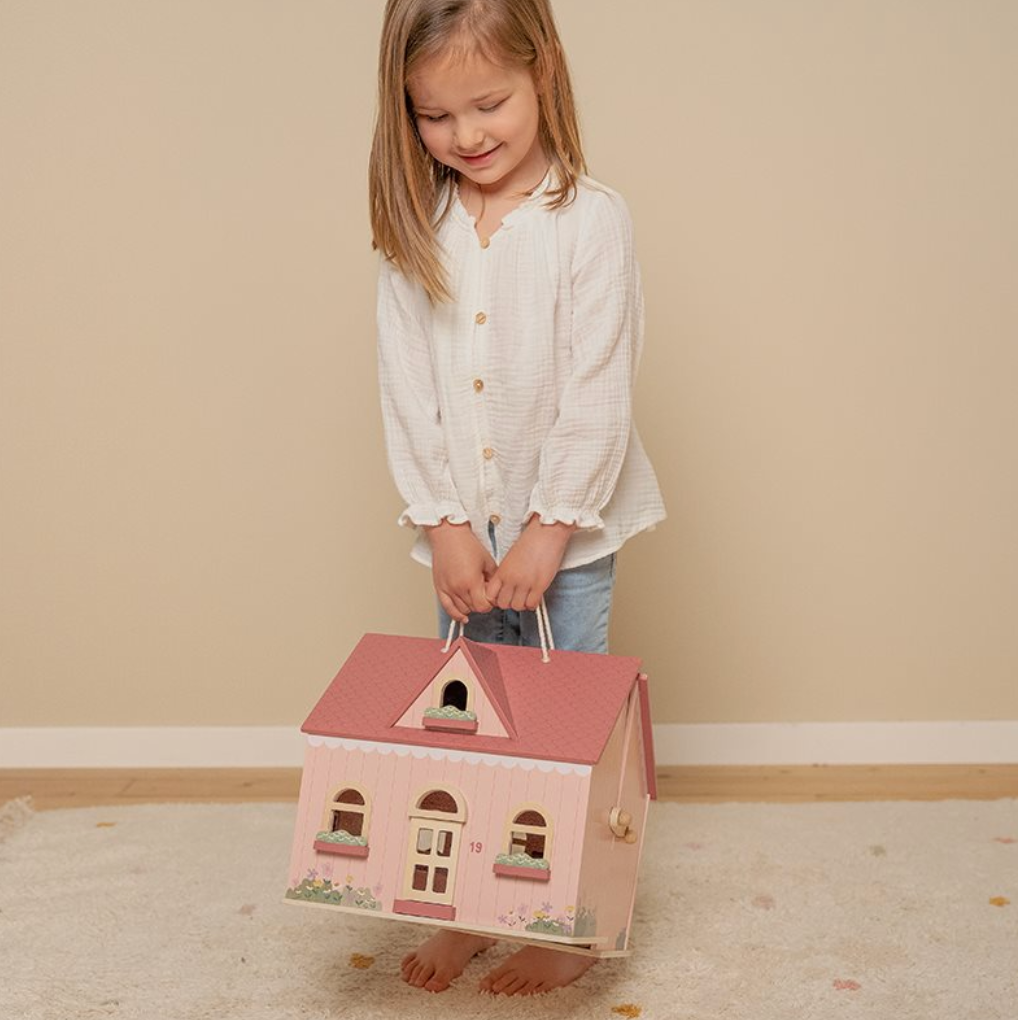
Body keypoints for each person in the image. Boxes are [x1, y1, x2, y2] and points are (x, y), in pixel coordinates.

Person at [368, 0, 665, 996]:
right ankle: (463, 909)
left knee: (558, 733)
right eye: (435, 116)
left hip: (563, 535)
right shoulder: (421, 227)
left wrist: (549, 527)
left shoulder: (589, 220)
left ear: (543, 73)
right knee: (469, 732)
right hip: (463, 531)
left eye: (488, 103)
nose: (467, 137)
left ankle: (565, 921)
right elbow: (406, 385)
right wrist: (446, 523)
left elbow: (597, 386)